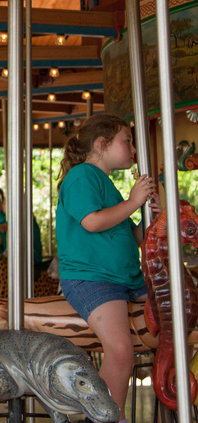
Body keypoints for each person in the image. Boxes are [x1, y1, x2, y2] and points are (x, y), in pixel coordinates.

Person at [56, 114, 160, 422]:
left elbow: (133, 236)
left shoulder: (105, 184)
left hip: (125, 278)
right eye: (126, 141)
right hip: (93, 278)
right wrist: (132, 201)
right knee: (119, 348)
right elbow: (92, 222)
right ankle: (106, 416)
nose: (132, 148)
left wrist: (153, 218)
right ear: (102, 144)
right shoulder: (82, 176)